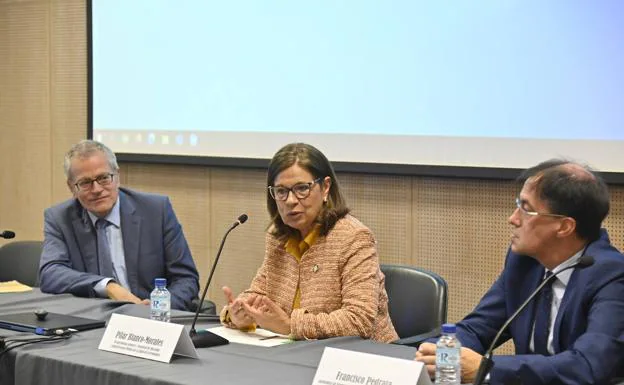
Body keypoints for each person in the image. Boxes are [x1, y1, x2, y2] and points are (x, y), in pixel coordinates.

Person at [416, 159, 624, 385]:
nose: (513, 219)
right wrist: (438, 353)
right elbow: (477, 329)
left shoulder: (612, 275)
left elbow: (588, 366)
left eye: (526, 209)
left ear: (564, 227)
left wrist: (487, 370)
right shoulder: (525, 263)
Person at [220, 143, 398, 342]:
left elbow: (358, 320)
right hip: (299, 353)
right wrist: (240, 313)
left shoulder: (354, 238)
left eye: (302, 189)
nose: (290, 200)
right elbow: (259, 293)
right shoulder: (278, 238)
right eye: (281, 191)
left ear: (325, 188)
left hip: (361, 361)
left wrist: (290, 326)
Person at [39, 140, 199, 311]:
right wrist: (108, 286)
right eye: (85, 183)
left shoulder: (155, 210)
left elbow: (186, 279)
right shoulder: (59, 218)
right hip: (92, 321)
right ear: (72, 187)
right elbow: (50, 273)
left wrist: (156, 308)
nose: (97, 189)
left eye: (103, 178)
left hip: (151, 318)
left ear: (117, 176)